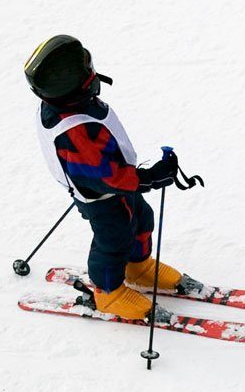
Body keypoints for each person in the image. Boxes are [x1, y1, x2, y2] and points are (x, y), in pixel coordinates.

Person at [25, 35, 192, 320]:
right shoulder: (76, 132)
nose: (93, 74)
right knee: (113, 239)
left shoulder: (71, 105)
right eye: (87, 71)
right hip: (101, 197)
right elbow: (109, 178)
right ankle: (107, 293)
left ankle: (137, 266)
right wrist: (150, 177)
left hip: (118, 189)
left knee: (141, 219)